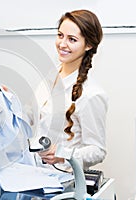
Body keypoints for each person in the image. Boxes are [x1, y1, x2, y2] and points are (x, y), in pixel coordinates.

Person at [30, 9, 108, 171]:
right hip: (36, 172)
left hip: (64, 181)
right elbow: (36, 118)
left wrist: (62, 154)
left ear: (89, 45)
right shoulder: (51, 76)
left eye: (72, 39)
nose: (62, 44)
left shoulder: (92, 94)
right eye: (60, 35)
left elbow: (98, 151)